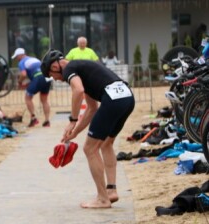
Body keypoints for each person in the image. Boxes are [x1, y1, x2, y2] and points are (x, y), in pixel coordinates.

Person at [40, 50, 135, 209]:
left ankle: (102, 199)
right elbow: (92, 108)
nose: (55, 79)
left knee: (90, 149)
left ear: (55, 66)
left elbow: (78, 90)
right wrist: (75, 132)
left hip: (113, 100)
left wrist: (72, 120)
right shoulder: (83, 69)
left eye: (52, 75)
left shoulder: (70, 68)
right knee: (106, 144)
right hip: (127, 98)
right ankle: (111, 191)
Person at [11, 48, 51, 127]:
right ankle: (47, 121)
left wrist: (19, 82)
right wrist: (30, 83)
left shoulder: (22, 62)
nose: (16, 59)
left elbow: (23, 74)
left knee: (27, 98)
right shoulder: (34, 59)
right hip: (47, 78)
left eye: (16, 57)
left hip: (37, 78)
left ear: (20, 55)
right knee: (44, 100)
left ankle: (33, 118)